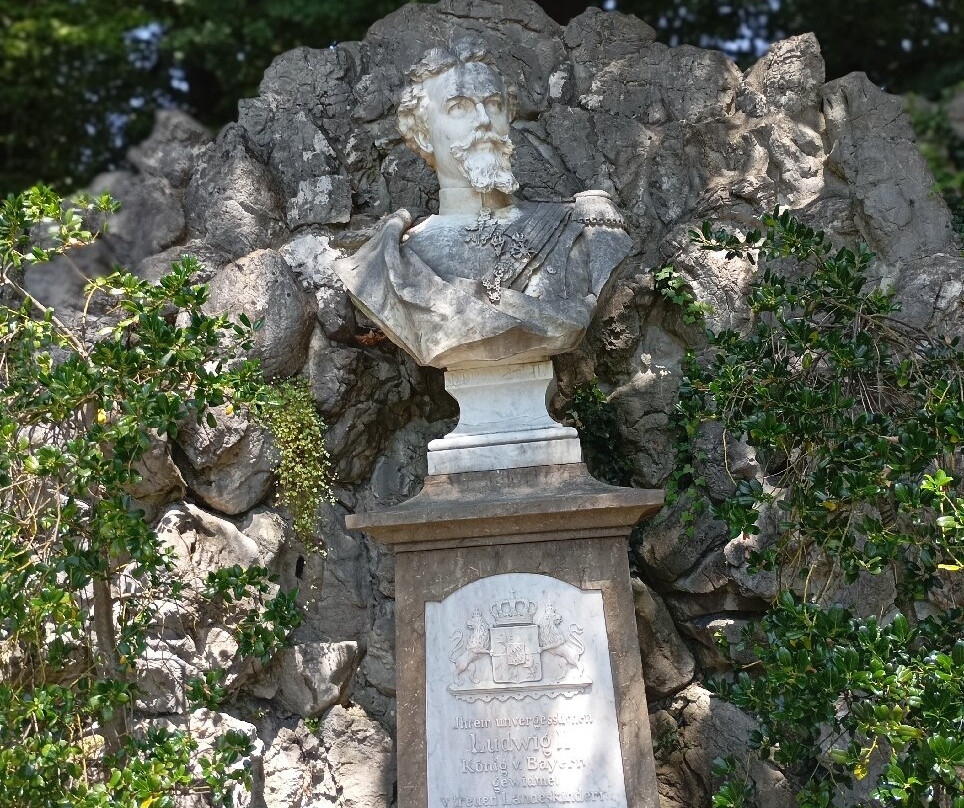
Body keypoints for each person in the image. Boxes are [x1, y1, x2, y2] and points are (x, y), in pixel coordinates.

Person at [334, 38, 632, 370]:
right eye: (458, 107)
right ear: (422, 135)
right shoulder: (391, 259)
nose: (483, 120)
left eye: (493, 105)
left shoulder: (582, 228)